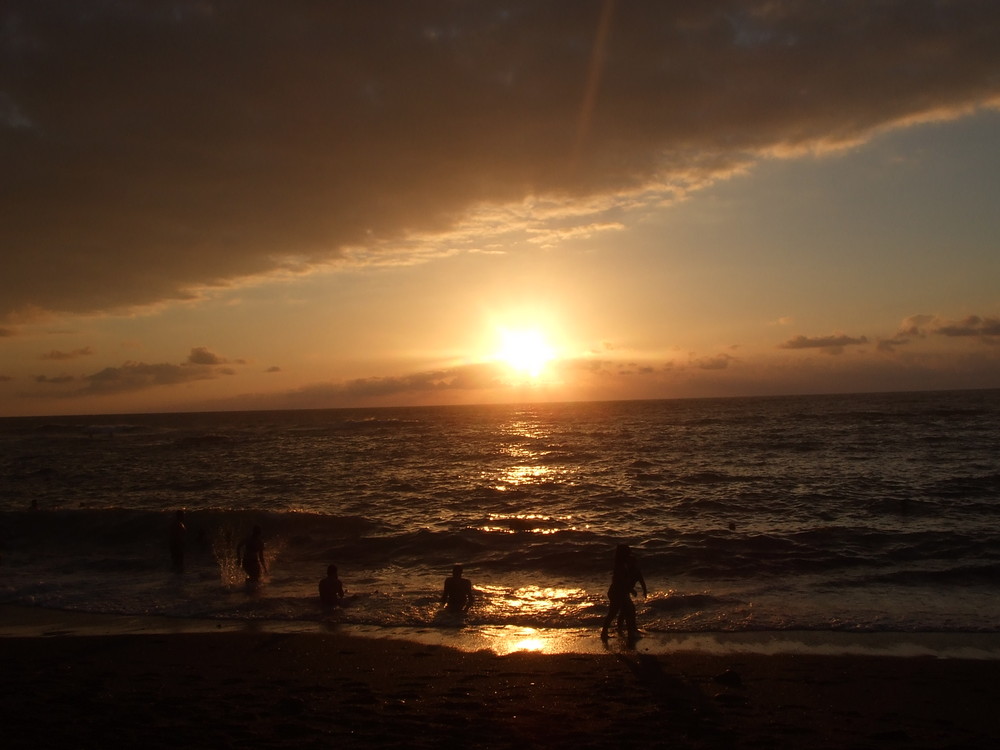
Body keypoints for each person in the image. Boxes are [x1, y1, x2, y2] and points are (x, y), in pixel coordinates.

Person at [600, 544, 647, 640]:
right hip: (617, 593)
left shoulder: (625, 564)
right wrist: (631, 590)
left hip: (621, 592)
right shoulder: (620, 566)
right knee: (615, 612)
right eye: (628, 552)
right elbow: (621, 581)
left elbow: (637, 577)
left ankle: (626, 630)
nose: (630, 553)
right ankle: (607, 632)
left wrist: (639, 589)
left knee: (627, 611)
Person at [169, 509, 186, 573]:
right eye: (183, 515)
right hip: (177, 545)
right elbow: (177, 536)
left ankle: (177, 577)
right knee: (178, 561)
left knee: (176, 561)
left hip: (174, 545)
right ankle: (178, 576)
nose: (184, 517)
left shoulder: (176, 524)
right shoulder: (178, 524)